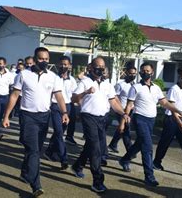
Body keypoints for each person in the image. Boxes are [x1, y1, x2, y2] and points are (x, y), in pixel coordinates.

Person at [2, 47, 68, 197]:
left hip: (44, 117)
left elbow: (58, 96)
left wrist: (64, 112)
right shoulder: (24, 75)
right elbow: (14, 95)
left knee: (34, 149)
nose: (43, 61)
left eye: (46, 59)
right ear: (35, 58)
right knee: (34, 151)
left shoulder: (53, 77)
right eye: (41, 59)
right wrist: (6, 116)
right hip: (28, 116)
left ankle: (25, 173)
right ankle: (35, 185)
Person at [118, 62, 182, 187]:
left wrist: (177, 110)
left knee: (140, 143)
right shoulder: (136, 87)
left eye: (148, 71)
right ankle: (149, 176)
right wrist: (123, 122)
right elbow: (129, 105)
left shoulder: (156, 88)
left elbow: (165, 103)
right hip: (139, 119)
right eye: (143, 71)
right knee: (147, 147)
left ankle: (124, 159)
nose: (145, 73)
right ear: (140, 72)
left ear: (152, 72)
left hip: (151, 120)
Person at [70, 56, 127, 193]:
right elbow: (74, 99)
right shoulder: (85, 82)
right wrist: (86, 92)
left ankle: (78, 166)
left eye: (102, 67)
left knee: (92, 145)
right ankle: (98, 181)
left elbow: (113, 101)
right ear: (91, 67)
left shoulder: (107, 84)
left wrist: (123, 113)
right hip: (88, 117)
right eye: (97, 67)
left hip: (103, 118)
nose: (100, 70)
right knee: (95, 149)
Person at [43, 56, 77, 170]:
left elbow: (74, 96)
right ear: (58, 65)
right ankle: (64, 158)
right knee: (58, 132)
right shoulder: (53, 78)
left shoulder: (72, 80)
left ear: (70, 66)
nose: (63, 66)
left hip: (67, 107)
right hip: (55, 106)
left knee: (60, 131)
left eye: (66, 64)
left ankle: (49, 152)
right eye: (61, 64)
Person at [108, 63, 137, 153]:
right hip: (122, 110)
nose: (132, 75)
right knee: (126, 128)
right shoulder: (120, 85)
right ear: (126, 73)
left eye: (134, 74)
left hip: (131, 110)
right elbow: (115, 97)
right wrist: (120, 109)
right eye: (130, 73)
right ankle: (130, 150)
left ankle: (113, 144)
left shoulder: (135, 85)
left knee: (122, 127)